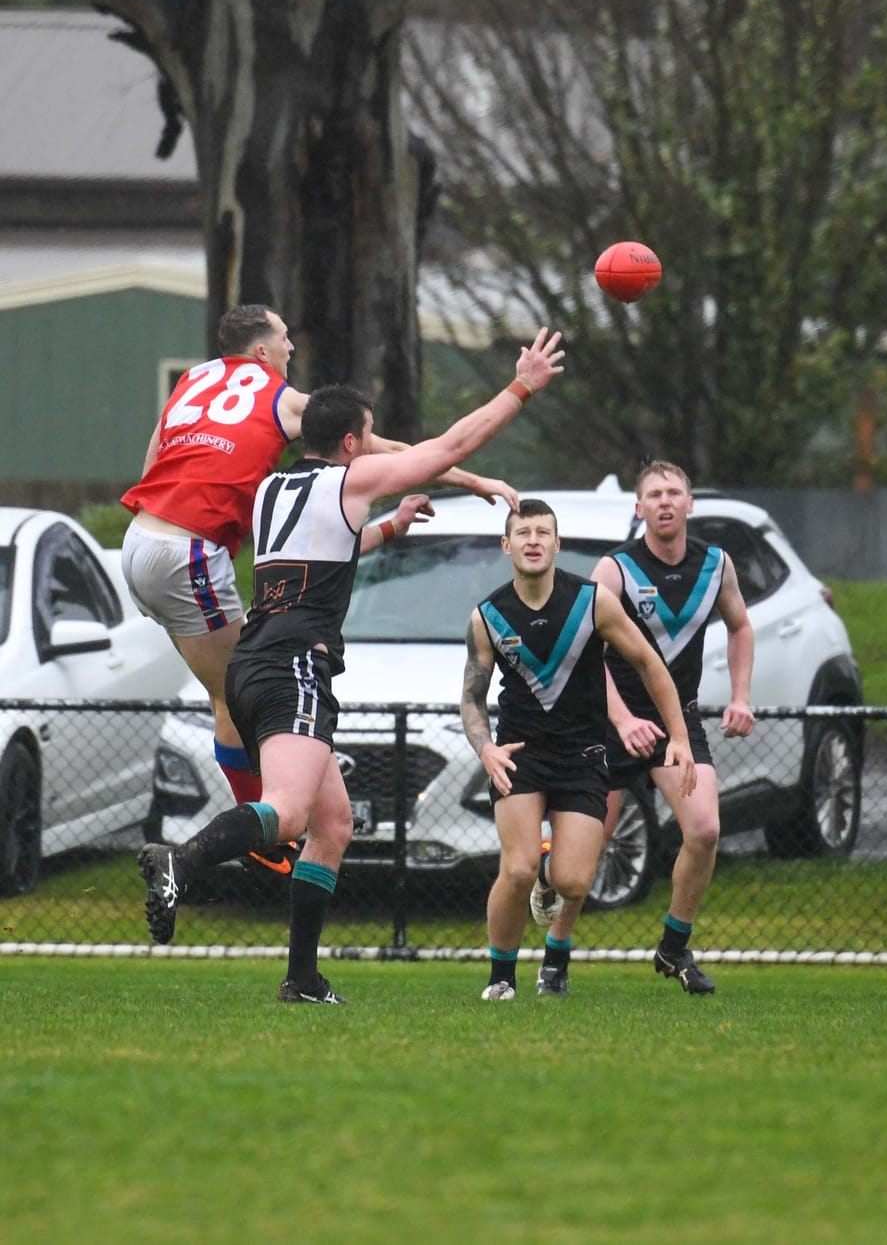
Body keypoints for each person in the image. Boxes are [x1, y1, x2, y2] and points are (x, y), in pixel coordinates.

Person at [134, 328, 565, 1004]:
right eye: (366, 435)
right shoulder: (348, 477)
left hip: (251, 665)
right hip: (294, 666)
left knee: (332, 825)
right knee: (287, 810)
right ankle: (180, 864)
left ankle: (302, 978)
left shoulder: (275, 488)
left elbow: (324, 549)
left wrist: (392, 527)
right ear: (352, 444)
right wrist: (522, 386)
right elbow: (446, 449)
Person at [120, 303, 514, 875]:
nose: (290, 348)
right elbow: (400, 453)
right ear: (260, 351)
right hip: (189, 551)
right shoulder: (283, 398)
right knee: (240, 692)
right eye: (283, 338)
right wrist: (469, 479)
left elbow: (154, 456)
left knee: (231, 699)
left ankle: (272, 838)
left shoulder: (195, 378)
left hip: (141, 538)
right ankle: (255, 829)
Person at [461, 499, 696, 1001]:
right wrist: (486, 750)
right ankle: (501, 978)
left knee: (571, 880)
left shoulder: (593, 603)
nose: (533, 540)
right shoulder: (486, 617)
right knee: (517, 865)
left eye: (543, 531)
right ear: (507, 546)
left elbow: (650, 665)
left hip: (585, 755)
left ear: (556, 543)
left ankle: (549, 880)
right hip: (520, 753)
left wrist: (679, 737)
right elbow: (472, 700)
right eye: (522, 532)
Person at [537, 460, 755, 996]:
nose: (664, 501)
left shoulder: (716, 565)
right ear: (639, 509)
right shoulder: (615, 570)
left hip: (676, 722)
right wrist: (623, 718)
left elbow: (741, 626)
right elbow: (581, 655)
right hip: (608, 724)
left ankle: (674, 947)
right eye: (653, 494)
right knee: (583, 861)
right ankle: (555, 959)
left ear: (689, 504)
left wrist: (742, 697)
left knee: (704, 829)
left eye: (673, 492)